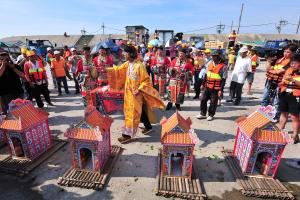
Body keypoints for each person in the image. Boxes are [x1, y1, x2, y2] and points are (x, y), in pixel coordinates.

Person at [106, 45, 165, 144]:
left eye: (126, 53)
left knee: (131, 114)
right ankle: (148, 127)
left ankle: (127, 135)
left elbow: (146, 80)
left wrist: (139, 89)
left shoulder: (139, 65)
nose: (124, 55)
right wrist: (107, 70)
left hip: (136, 95)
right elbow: (117, 70)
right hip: (128, 93)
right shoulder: (128, 64)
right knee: (139, 110)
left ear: (131, 54)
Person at [261, 44, 297, 122]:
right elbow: (268, 68)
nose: (285, 53)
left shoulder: (292, 63)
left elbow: (278, 72)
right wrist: (268, 60)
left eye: (288, 52)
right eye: (284, 51)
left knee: (276, 102)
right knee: (264, 99)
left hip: (281, 84)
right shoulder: (279, 60)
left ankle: (275, 117)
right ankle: (262, 115)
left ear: (293, 53)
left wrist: (270, 71)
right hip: (270, 82)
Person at [196, 50, 226, 121]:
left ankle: (211, 114)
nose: (213, 57)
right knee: (203, 99)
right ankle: (203, 114)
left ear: (219, 57)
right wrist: (203, 84)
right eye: (212, 56)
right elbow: (206, 75)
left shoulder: (223, 67)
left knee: (213, 102)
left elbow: (223, 80)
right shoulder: (209, 63)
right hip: (207, 86)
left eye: (215, 56)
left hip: (216, 88)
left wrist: (220, 90)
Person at [278, 53, 300, 144]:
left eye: (295, 63)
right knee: (283, 113)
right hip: (285, 94)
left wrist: (292, 80)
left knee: (294, 116)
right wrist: (281, 84)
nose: (293, 65)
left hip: (295, 96)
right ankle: (280, 131)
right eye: (292, 63)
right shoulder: (289, 70)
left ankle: (295, 135)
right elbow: (283, 81)